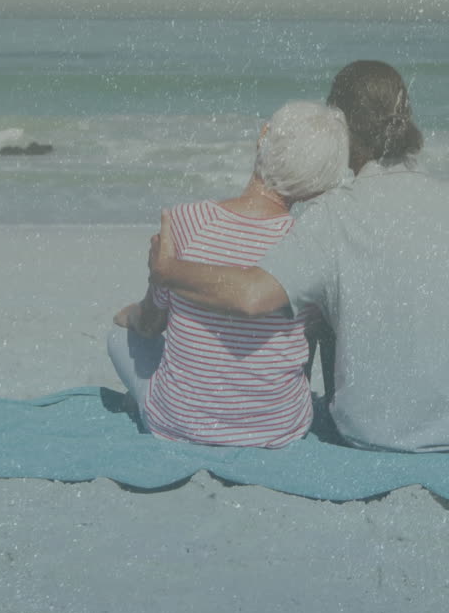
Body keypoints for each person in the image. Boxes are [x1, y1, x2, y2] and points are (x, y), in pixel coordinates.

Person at [148, 60, 449, 454]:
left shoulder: (330, 214)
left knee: (324, 301)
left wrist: (169, 270)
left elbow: (251, 296)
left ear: (342, 132)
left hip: (362, 430)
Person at [108, 100, 349, 448]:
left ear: (263, 137)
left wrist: (128, 316)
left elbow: (151, 323)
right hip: (277, 429)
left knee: (119, 336)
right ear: (319, 186)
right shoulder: (307, 247)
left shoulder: (188, 221)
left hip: (180, 424)